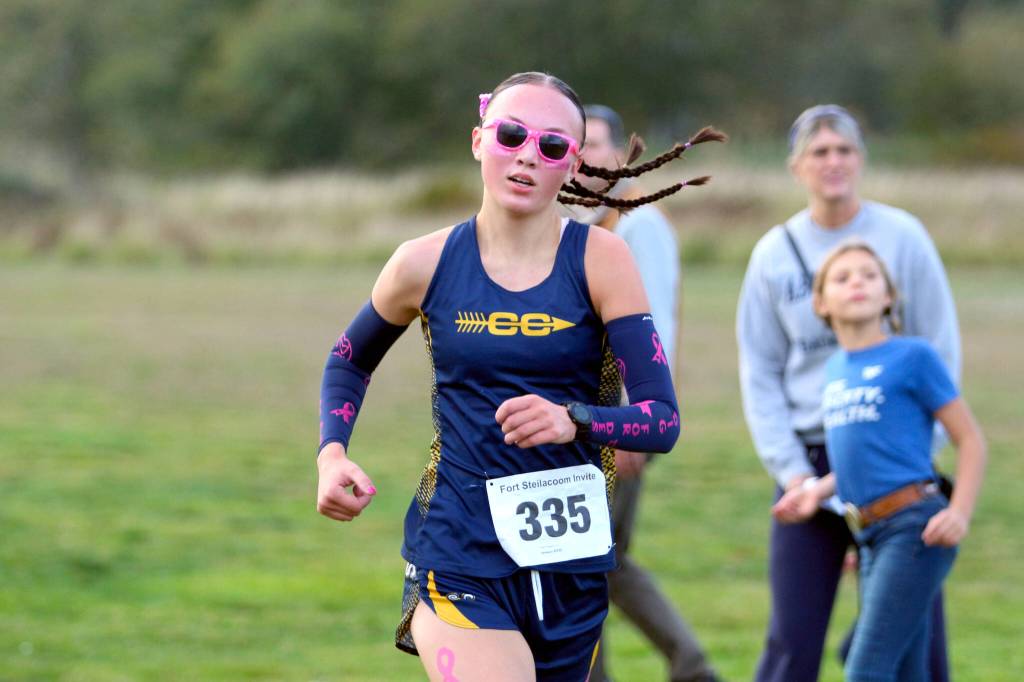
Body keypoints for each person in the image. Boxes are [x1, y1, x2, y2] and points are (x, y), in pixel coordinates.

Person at [316, 72, 723, 682]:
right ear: (479, 140)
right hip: (456, 551)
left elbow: (661, 420)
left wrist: (574, 420)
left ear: (574, 164)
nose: (528, 155)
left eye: (552, 145)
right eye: (511, 135)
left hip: (570, 567)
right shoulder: (422, 262)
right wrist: (331, 454)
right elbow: (350, 359)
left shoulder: (603, 260)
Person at [736, 104, 961, 682]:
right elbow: (760, 371)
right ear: (796, 166)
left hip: (895, 463)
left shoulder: (903, 237)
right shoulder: (773, 253)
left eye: (844, 150)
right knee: (792, 637)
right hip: (810, 463)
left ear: (860, 159)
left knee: (913, 641)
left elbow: (939, 349)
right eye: (819, 152)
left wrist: (912, 455)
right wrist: (792, 474)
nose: (832, 162)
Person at [772, 241, 986, 681]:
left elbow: (971, 441)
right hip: (869, 535)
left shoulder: (914, 357)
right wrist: (816, 491)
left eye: (870, 276)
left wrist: (959, 513)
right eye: (843, 277)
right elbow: (864, 455)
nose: (858, 283)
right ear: (820, 302)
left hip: (914, 527)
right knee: (908, 672)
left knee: (865, 669)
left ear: (888, 296)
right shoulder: (835, 370)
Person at [570, 103, 719, 682]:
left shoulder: (639, 224)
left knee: (592, 560)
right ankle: (686, 666)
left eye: (595, 144)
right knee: (593, 560)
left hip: (620, 419)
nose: (583, 157)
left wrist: (634, 419)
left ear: (620, 154)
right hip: (587, 417)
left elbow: (651, 326)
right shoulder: (590, 224)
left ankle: (690, 665)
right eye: (574, 145)